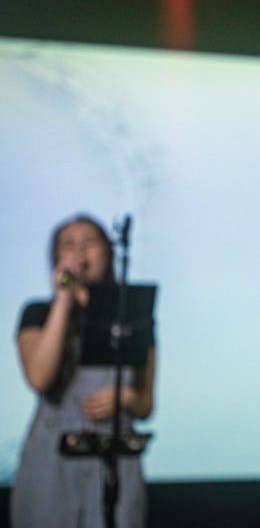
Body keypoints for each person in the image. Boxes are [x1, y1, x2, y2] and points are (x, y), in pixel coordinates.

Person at [10, 214, 156, 528]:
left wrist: (126, 399)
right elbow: (39, 377)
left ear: (108, 251)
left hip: (114, 455)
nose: (80, 252)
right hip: (53, 458)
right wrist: (64, 299)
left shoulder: (133, 313)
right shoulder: (38, 313)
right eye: (69, 245)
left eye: (90, 242)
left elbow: (146, 405)